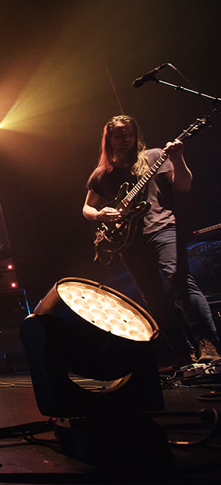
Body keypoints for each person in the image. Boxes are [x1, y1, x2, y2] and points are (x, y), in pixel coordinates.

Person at [82, 114, 221, 370]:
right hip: (129, 243)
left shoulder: (155, 156)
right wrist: (101, 214)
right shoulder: (102, 174)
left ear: (136, 135)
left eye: (129, 133)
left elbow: (183, 187)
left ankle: (207, 344)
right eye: (119, 135)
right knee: (153, 298)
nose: (125, 139)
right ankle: (181, 353)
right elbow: (86, 209)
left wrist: (178, 158)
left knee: (180, 281)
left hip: (163, 228)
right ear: (109, 139)